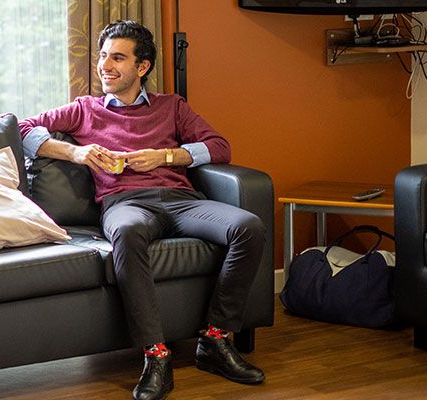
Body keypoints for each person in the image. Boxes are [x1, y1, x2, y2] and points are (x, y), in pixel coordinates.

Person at [19, 19, 265, 400]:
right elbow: (22, 128)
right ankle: (156, 355)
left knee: (248, 226)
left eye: (118, 57)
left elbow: (219, 147)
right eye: (103, 56)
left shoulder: (171, 107)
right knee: (128, 232)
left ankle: (214, 341)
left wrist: (166, 156)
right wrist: (76, 151)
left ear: (142, 67)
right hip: (125, 204)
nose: (105, 66)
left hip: (182, 201)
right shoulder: (85, 110)